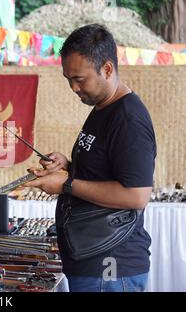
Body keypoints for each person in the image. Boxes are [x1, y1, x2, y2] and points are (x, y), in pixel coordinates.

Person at [27, 24, 156, 292]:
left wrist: (66, 184)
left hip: (111, 268)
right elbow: (103, 172)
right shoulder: (103, 108)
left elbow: (136, 196)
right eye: (68, 79)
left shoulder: (128, 119)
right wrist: (67, 166)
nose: (73, 88)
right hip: (91, 262)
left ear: (107, 69)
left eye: (80, 79)